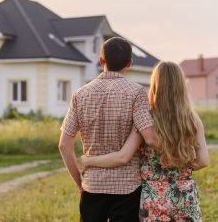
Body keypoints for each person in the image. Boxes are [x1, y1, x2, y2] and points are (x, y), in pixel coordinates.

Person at [81, 61, 209, 221]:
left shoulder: (145, 120)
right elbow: (203, 160)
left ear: (155, 85)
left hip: (153, 197)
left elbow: (123, 156)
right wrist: (180, 166)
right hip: (184, 194)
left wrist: (88, 160)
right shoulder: (193, 120)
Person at [59, 37, 156, 222]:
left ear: (101, 60)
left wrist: (80, 182)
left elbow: (64, 145)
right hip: (127, 188)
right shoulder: (136, 93)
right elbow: (149, 136)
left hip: (92, 186)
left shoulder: (80, 95)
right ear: (129, 63)